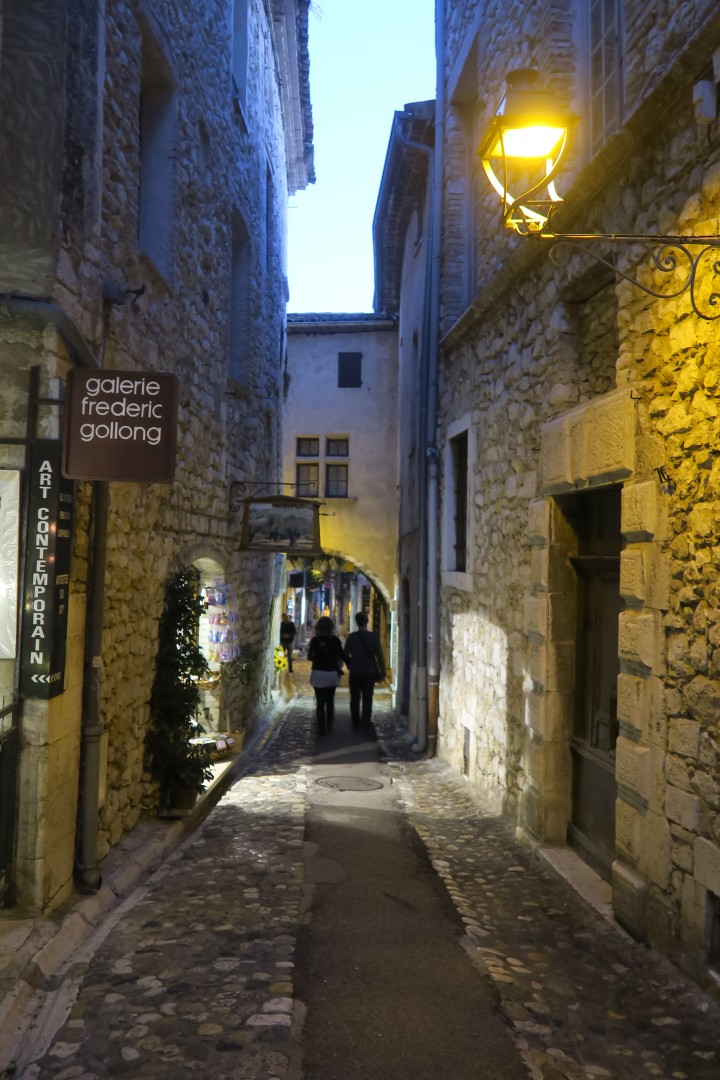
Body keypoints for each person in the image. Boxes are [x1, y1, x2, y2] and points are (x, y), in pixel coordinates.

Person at [343, 611, 386, 733]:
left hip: (355, 672)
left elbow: (345, 654)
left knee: (355, 698)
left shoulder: (352, 637)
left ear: (356, 622)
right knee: (368, 699)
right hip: (369, 673)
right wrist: (383, 673)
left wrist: (349, 665)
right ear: (367, 621)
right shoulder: (373, 637)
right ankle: (366, 723)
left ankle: (355, 722)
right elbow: (380, 656)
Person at [307, 615, 346, 736]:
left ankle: (321, 728)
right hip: (331, 674)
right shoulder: (335, 640)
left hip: (318, 673)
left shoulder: (315, 640)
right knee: (330, 701)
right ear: (331, 627)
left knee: (320, 702)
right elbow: (341, 655)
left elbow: (309, 657)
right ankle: (329, 724)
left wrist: (318, 658)